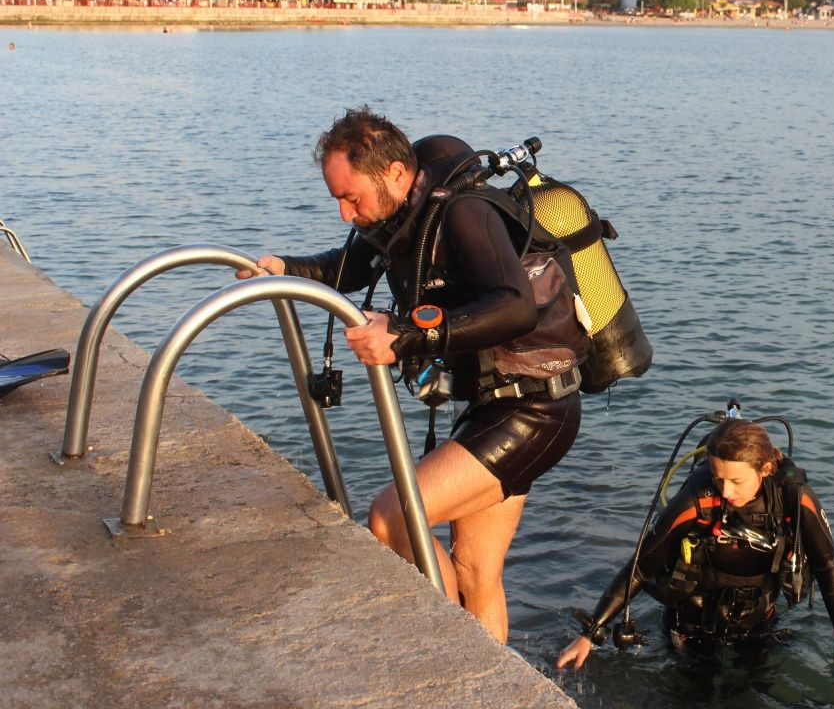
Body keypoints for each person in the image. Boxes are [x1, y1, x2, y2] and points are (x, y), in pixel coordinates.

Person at [238, 107, 583, 642]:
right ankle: (491, 692)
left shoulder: (464, 212)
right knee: (474, 573)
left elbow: (516, 307)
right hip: (495, 404)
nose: (345, 213)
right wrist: (283, 268)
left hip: (535, 408)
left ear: (396, 173)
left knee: (391, 517)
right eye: (337, 198)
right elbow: (350, 268)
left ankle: (458, 664)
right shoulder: (401, 216)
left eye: (351, 197)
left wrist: (407, 334)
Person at [557, 418, 834, 671]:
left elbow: (827, 565)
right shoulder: (697, 500)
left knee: (757, 689)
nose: (726, 491)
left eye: (737, 481)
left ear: (765, 469)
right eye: (718, 479)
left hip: (758, 619)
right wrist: (590, 633)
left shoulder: (794, 499)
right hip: (692, 625)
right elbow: (640, 568)